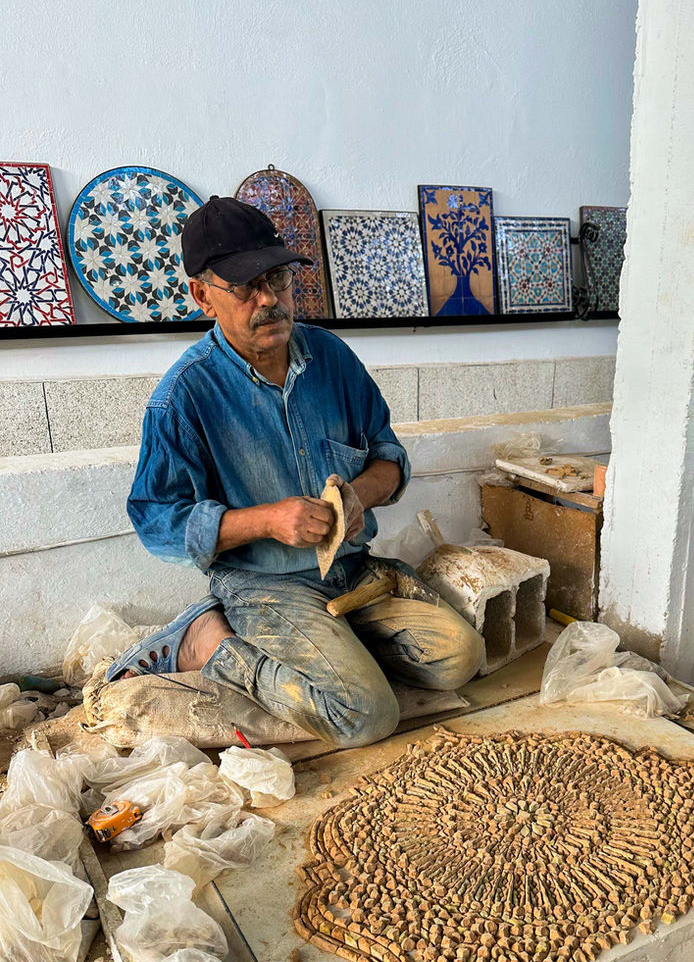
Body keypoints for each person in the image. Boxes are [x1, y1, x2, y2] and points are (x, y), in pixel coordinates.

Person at [108, 196, 483, 748]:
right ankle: (210, 643)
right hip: (266, 585)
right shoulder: (183, 398)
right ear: (202, 295)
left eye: (278, 278)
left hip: (350, 575)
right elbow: (158, 524)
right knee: (364, 716)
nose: (270, 300)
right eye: (244, 287)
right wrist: (265, 521)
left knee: (460, 658)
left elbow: (390, 458)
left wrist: (356, 495)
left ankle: (335, 643)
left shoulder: (331, 358)